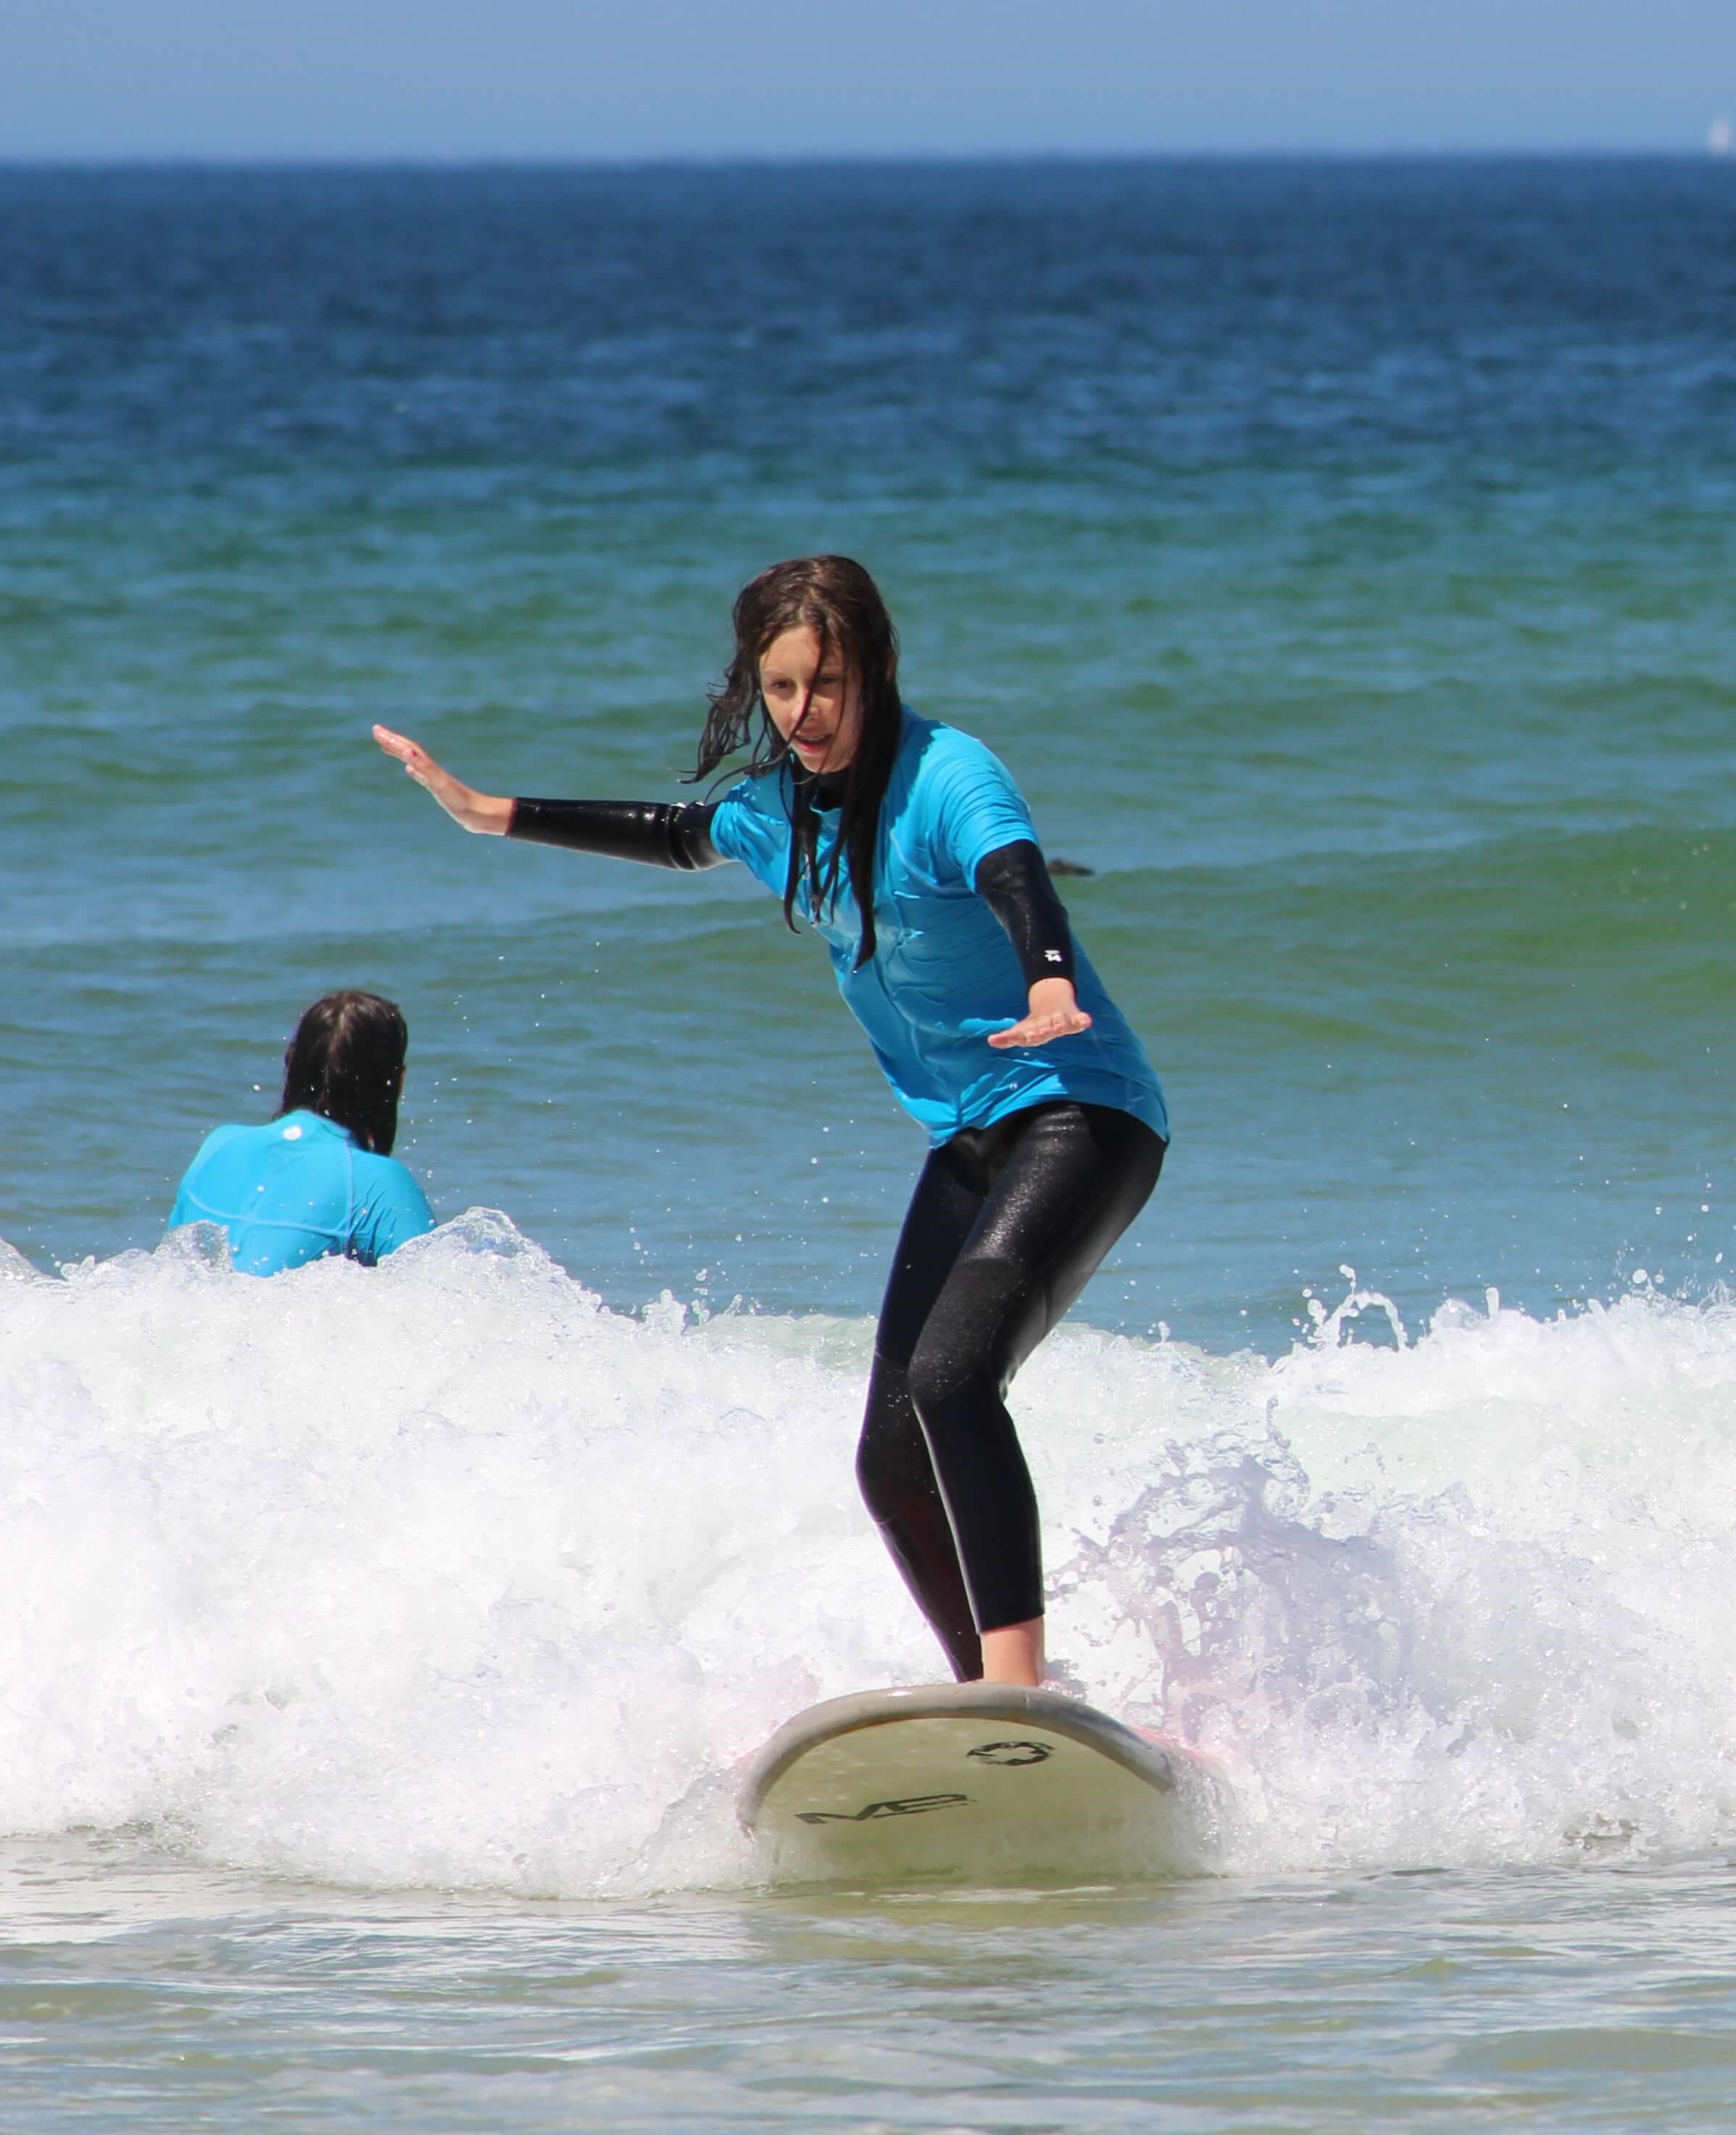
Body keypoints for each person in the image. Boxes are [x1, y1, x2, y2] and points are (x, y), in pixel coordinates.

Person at [370, 555, 1166, 1693]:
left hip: (1080, 1114)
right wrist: (492, 814)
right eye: (781, 688)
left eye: (826, 685)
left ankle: (1018, 1689)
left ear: (877, 671)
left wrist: (1048, 981)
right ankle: (995, 1709)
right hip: (970, 1140)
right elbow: (675, 831)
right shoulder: (777, 815)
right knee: (891, 1462)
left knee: (951, 1381)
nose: (803, 714)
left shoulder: (950, 777)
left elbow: (1017, 874)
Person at [168, 990, 436, 1274]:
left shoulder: (218, 1145)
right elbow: (435, 1300)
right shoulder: (378, 1182)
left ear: (291, 1063)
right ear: (396, 1082)